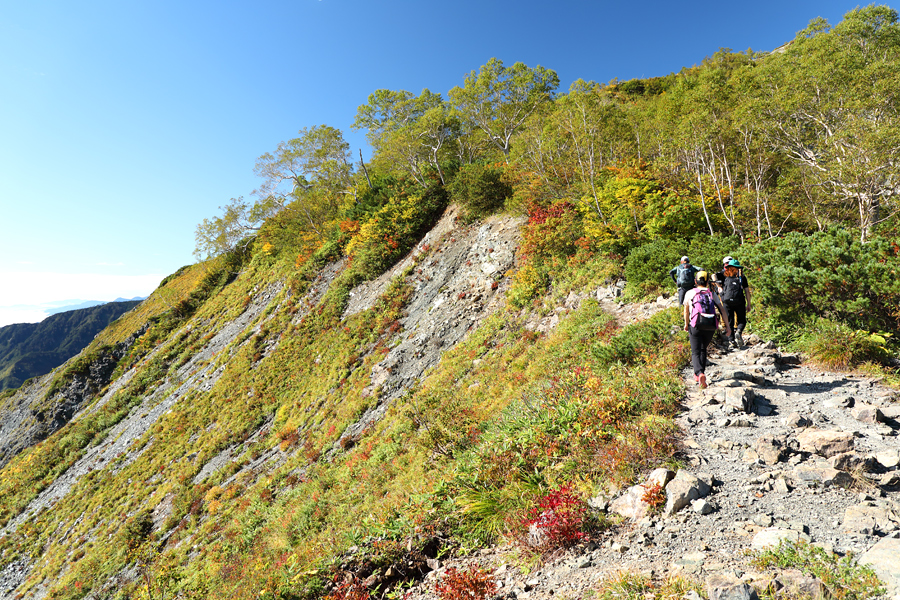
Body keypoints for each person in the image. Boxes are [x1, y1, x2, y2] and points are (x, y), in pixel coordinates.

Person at [683, 271, 731, 389]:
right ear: (707, 282)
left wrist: (686, 324)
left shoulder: (690, 293)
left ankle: (699, 373)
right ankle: (701, 373)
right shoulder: (712, 293)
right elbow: (722, 310)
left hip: (696, 325)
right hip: (710, 325)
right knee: (703, 349)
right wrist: (728, 327)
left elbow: (686, 310)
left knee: (695, 351)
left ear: (695, 281)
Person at [719, 258, 751, 348]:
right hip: (739, 301)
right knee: (742, 320)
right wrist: (749, 304)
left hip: (726, 301)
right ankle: (739, 331)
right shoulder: (742, 277)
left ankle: (731, 341)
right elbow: (747, 291)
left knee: (729, 322)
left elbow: (714, 276)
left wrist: (719, 289)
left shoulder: (724, 275)